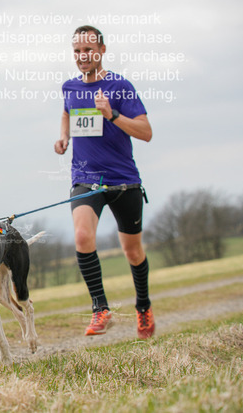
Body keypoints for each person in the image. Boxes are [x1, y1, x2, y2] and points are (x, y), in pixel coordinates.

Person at [54, 25, 155, 339]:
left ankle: (143, 306)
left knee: (133, 251)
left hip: (123, 180)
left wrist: (112, 115)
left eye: (88, 50)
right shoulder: (70, 87)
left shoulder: (120, 86)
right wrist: (64, 137)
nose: (82, 56)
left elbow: (146, 133)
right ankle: (101, 309)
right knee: (83, 236)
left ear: (102, 51)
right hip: (85, 178)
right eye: (77, 51)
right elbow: (67, 112)